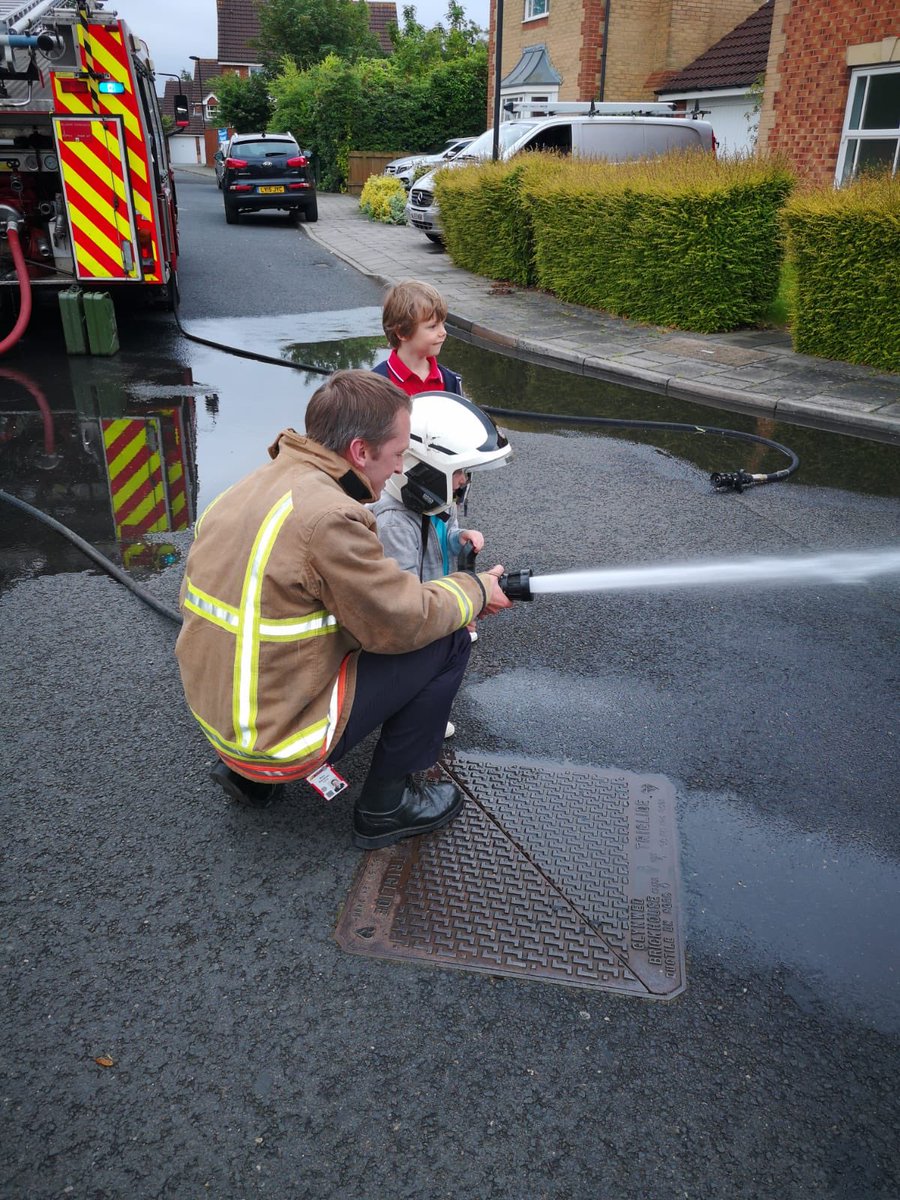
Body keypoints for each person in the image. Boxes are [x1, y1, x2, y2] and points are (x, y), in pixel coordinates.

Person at [174, 369, 512, 850]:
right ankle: (386, 806)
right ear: (360, 451)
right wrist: (473, 591)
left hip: (223, 723)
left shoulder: (252, 486)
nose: (398, 470)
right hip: (276, 742)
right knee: (448, 638)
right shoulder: (330, 518)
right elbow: (400, 621)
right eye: (396, 455)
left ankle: (250, 780)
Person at [370, 391, 512, 737]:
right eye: (459, 471)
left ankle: (421, 712)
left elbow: (439, 534)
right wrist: (454, 612)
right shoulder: (393, 520)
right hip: (416, 616)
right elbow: (405, 596)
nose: (463, 480)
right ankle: (414, 721)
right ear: (425, 470)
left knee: (439, 656)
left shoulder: (433, 504)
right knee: (425, 662)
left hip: (433, 603)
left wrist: (458, 537)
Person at [371, 279, 462, 397]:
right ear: (402, 333)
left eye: (443, 324)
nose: (443, 332)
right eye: (433, 326)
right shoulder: (376, 386)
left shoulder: (450, 381)